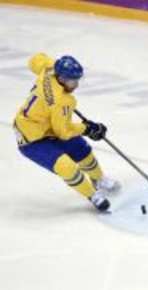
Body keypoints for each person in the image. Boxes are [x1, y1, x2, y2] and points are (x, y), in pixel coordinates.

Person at [13, 53, 120, 212]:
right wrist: (88, 128)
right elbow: (63, 132)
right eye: (73, 80)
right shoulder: (61, 102)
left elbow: (34, 60)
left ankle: (98, 179)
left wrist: (44, 88)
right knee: (66, 167)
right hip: (32, 139)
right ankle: (92, 195)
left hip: (49, 125)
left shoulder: (49, 68)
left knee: (82, 151)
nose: (76, 84)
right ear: (61, 78)